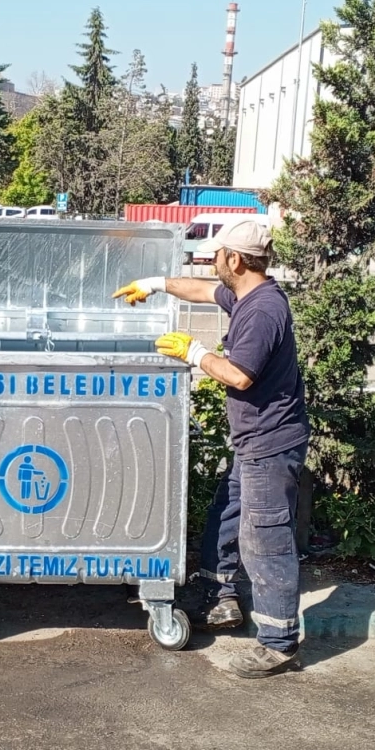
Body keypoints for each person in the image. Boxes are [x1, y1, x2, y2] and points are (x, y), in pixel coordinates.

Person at [114, 218, 310, 678]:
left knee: (265, 540)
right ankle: (220, 599)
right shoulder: (246, 295)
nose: (212, 260)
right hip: (254, 441)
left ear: (235, 260)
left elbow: (239, 375)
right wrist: (153, 284)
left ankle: (279, 643)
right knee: (226, 515)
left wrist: (195, 352)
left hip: (270, 442)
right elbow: (202, 291)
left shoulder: (262, 312)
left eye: (217, 254)